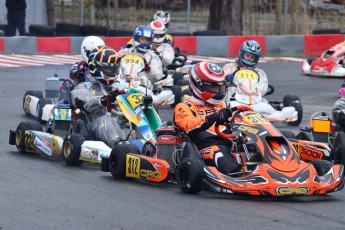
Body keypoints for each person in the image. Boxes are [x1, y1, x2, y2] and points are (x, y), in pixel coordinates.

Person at [174, 61, 242, 175]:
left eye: (219, 87)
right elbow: (189, 126)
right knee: (219, 151)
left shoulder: (223, 105)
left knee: (254, 144)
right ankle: (237, 174)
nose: (217, 91)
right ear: (198, 85)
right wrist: (213, 117)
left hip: (230, 142)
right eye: (213, 87)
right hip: (205, 147)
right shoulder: (184, 107)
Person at [224, 40, 297, 122]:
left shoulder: (260, 73)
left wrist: (252, 91)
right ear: (241, 54)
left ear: (256, 59)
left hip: (255, 103)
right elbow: (220, 80)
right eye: (247, 55)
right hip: (233, 100)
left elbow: (263, 88)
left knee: (277, 113)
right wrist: (227, 79)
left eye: (252, 57)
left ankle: (269, 116)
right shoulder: (230, 67)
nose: (249, 58)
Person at [71, 45, 126, 146]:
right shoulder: (84, 87)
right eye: (107, 68)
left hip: (118, 125)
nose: (111, 72)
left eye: (113, 69)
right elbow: (87, 103)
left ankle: (148, 142)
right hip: (94, 128)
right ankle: (120, 146)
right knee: (106, 120)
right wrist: (103, 100)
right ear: (94, 67)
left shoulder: (117, 87)